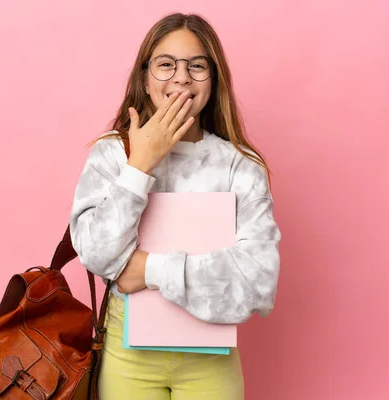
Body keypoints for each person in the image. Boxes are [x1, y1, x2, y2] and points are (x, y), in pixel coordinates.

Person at [69, 12, 282, 400]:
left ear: (213, 80)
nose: (181, 77)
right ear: (145, 78)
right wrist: (140, 165)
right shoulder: (114, 154)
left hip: (211, 361)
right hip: (126, 355)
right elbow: (96, 256)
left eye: (197, 66)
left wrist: (150, 268)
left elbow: (258, 284)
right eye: (166, 65)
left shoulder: (240, 165)